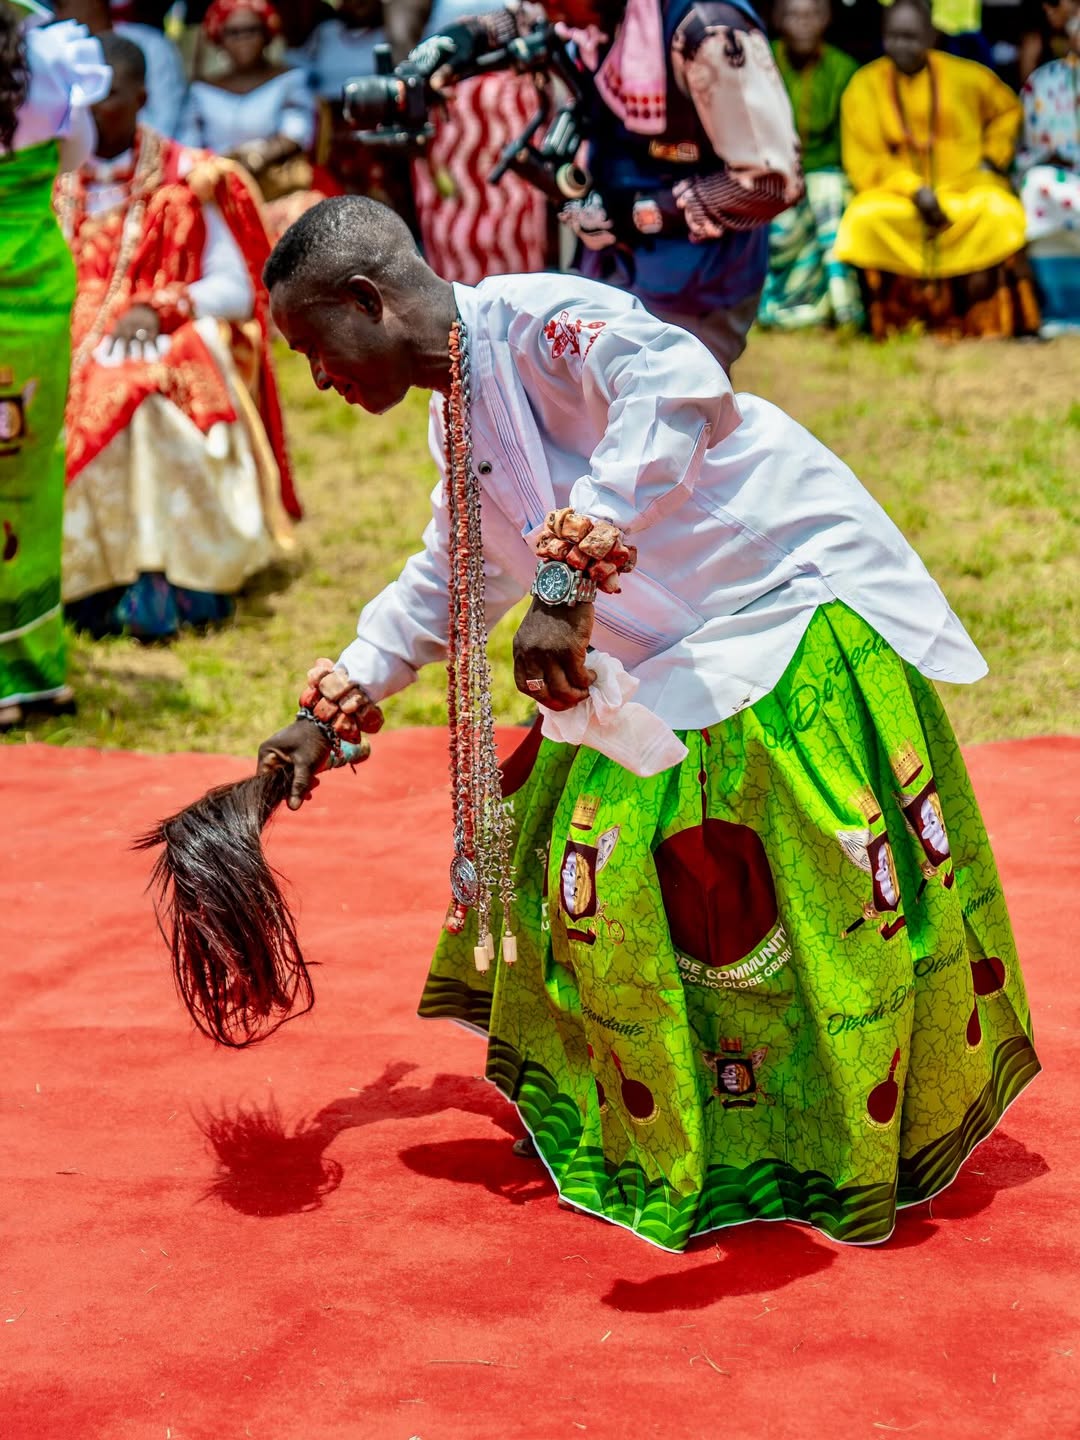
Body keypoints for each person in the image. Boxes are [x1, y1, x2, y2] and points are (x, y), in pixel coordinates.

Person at [253, 194, 1039, 1252]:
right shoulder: (464, 419)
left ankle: (832, 1141)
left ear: (368, 301)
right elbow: (456, 575)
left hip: (777, 609)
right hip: (667, 660)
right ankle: (695, 1126)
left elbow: (678, 382)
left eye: (314, 345)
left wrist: (570, 580)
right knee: (587, 876)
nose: (319, 378)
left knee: (807, 902)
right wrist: (334, 704)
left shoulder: (541, 321)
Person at [57, 34, 299, 639]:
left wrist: (163, 306)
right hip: (62, 340)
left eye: (106, 97)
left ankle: (168, 581)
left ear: (141, 97)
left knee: (147, 396)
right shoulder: (48, 182)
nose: (89, 112)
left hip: (165, 336)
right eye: (78, 99)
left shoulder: (189, 178)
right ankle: (79, 581)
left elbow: (239, 288)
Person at [408, 0, 802, 370]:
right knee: (594, 409)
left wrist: (638, 213)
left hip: (698, 276)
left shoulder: (708, 30)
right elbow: (525, 18)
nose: (552, 14)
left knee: (669, 418)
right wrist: (457, 42)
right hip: (615, 258)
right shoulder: (590, 13)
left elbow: (771, 182)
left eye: (557, 1)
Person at [0, 2, 108, 729]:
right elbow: (77, 156)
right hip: (34, 286)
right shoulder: (51, 56)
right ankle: (31, 672)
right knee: (28, 472)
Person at [835, 0, 1039, 338]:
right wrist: (913, 189)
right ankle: (884, 326)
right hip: (898, 197)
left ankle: (994, 322)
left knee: (1001, 214)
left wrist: (993, 156)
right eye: (894, 36)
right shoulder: (863, 85)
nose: (902, 46)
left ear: (932, 36)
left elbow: (1008, 111)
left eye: (912, 36)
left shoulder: (966, 75)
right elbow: (865, 161)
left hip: (967, 190)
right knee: (863, 221)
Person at [758, 0, 862, 329]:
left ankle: (843, 311)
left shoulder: (843, 69)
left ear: (825, 19)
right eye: (793, 15)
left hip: (823, 171)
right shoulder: (761, 60)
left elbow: (845, 140)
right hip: (770, 171)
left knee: (828, 199)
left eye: (810, 15)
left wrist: (807, 176)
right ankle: (771, 310)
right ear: (777, 19)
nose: (802, 24)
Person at [1015, 13, 1080, 330]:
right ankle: (1060, 310)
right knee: (1036, 187)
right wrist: (1049, 157)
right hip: (1057, 180)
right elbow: (1024, 152)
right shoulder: (1042, 83)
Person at [50, 0, 187, 135]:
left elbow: (164, 121)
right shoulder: (61, 51)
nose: (56, 15)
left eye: (62, 5)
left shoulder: (151, 46)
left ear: (94, 2)